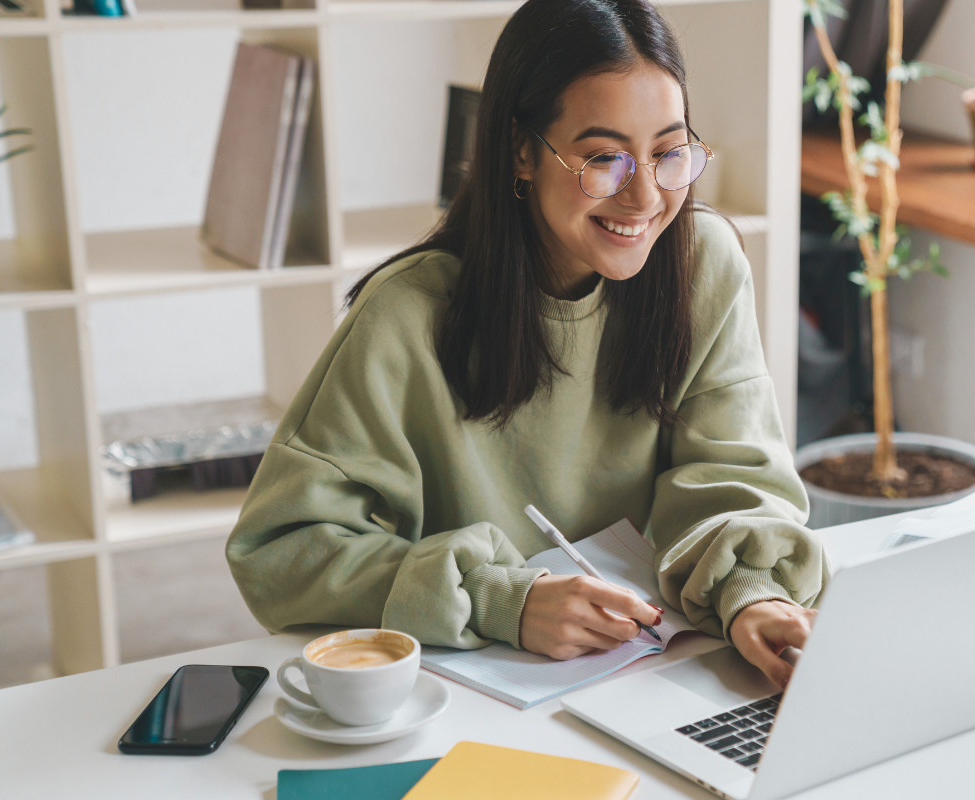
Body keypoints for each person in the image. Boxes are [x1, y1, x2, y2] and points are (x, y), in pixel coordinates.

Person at [226, 0, 829, 690]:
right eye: (605, 159)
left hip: (658, 673)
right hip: (474, 696)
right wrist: (501, 599)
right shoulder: (407, 316)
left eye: (668, 154)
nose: (645, 201)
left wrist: (756, 591)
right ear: (520, 151)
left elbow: (737, 478)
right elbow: (282, 549)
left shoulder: (704, 265)